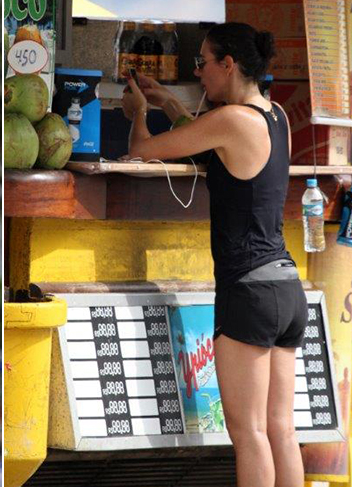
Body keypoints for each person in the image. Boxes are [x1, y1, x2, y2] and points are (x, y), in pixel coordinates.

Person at [121, 22, 307, 487]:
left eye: (203, 62)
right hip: (286, 287)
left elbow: (144, 151)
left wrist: (138, 113)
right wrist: (168, 102)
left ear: (229, 65)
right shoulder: (275, 115)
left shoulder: (229, 120)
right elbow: (205, 138)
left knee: (248, 434)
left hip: (249, 292)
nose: (198, 71)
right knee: (282, 430)